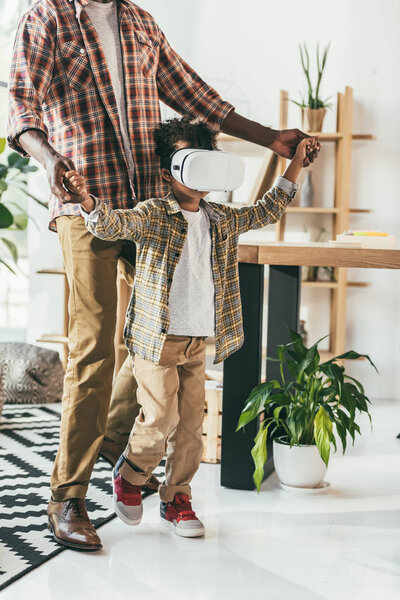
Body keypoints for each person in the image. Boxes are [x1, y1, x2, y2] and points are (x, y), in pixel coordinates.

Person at [8, 0, 319, 551]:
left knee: (161, 330)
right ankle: (67, 496)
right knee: (94, 348)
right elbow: (23, 104)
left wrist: (273, 138)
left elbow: (196, 96)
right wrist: (51, 159)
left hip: (154, 206)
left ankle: (115, 443)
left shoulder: (140, 22)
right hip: (89, 206)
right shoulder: (48, 17)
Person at [63, 117, 318, 541]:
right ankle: (130, 472)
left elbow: (268, 210)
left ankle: (176, 496)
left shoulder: (220, 218)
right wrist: (87, 202)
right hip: (155, 339)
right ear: (168, 173)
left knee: (190, 429)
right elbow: (113, 226)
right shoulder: (152, 214)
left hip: (198, 340)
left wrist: (296, 165)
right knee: (160, 416)